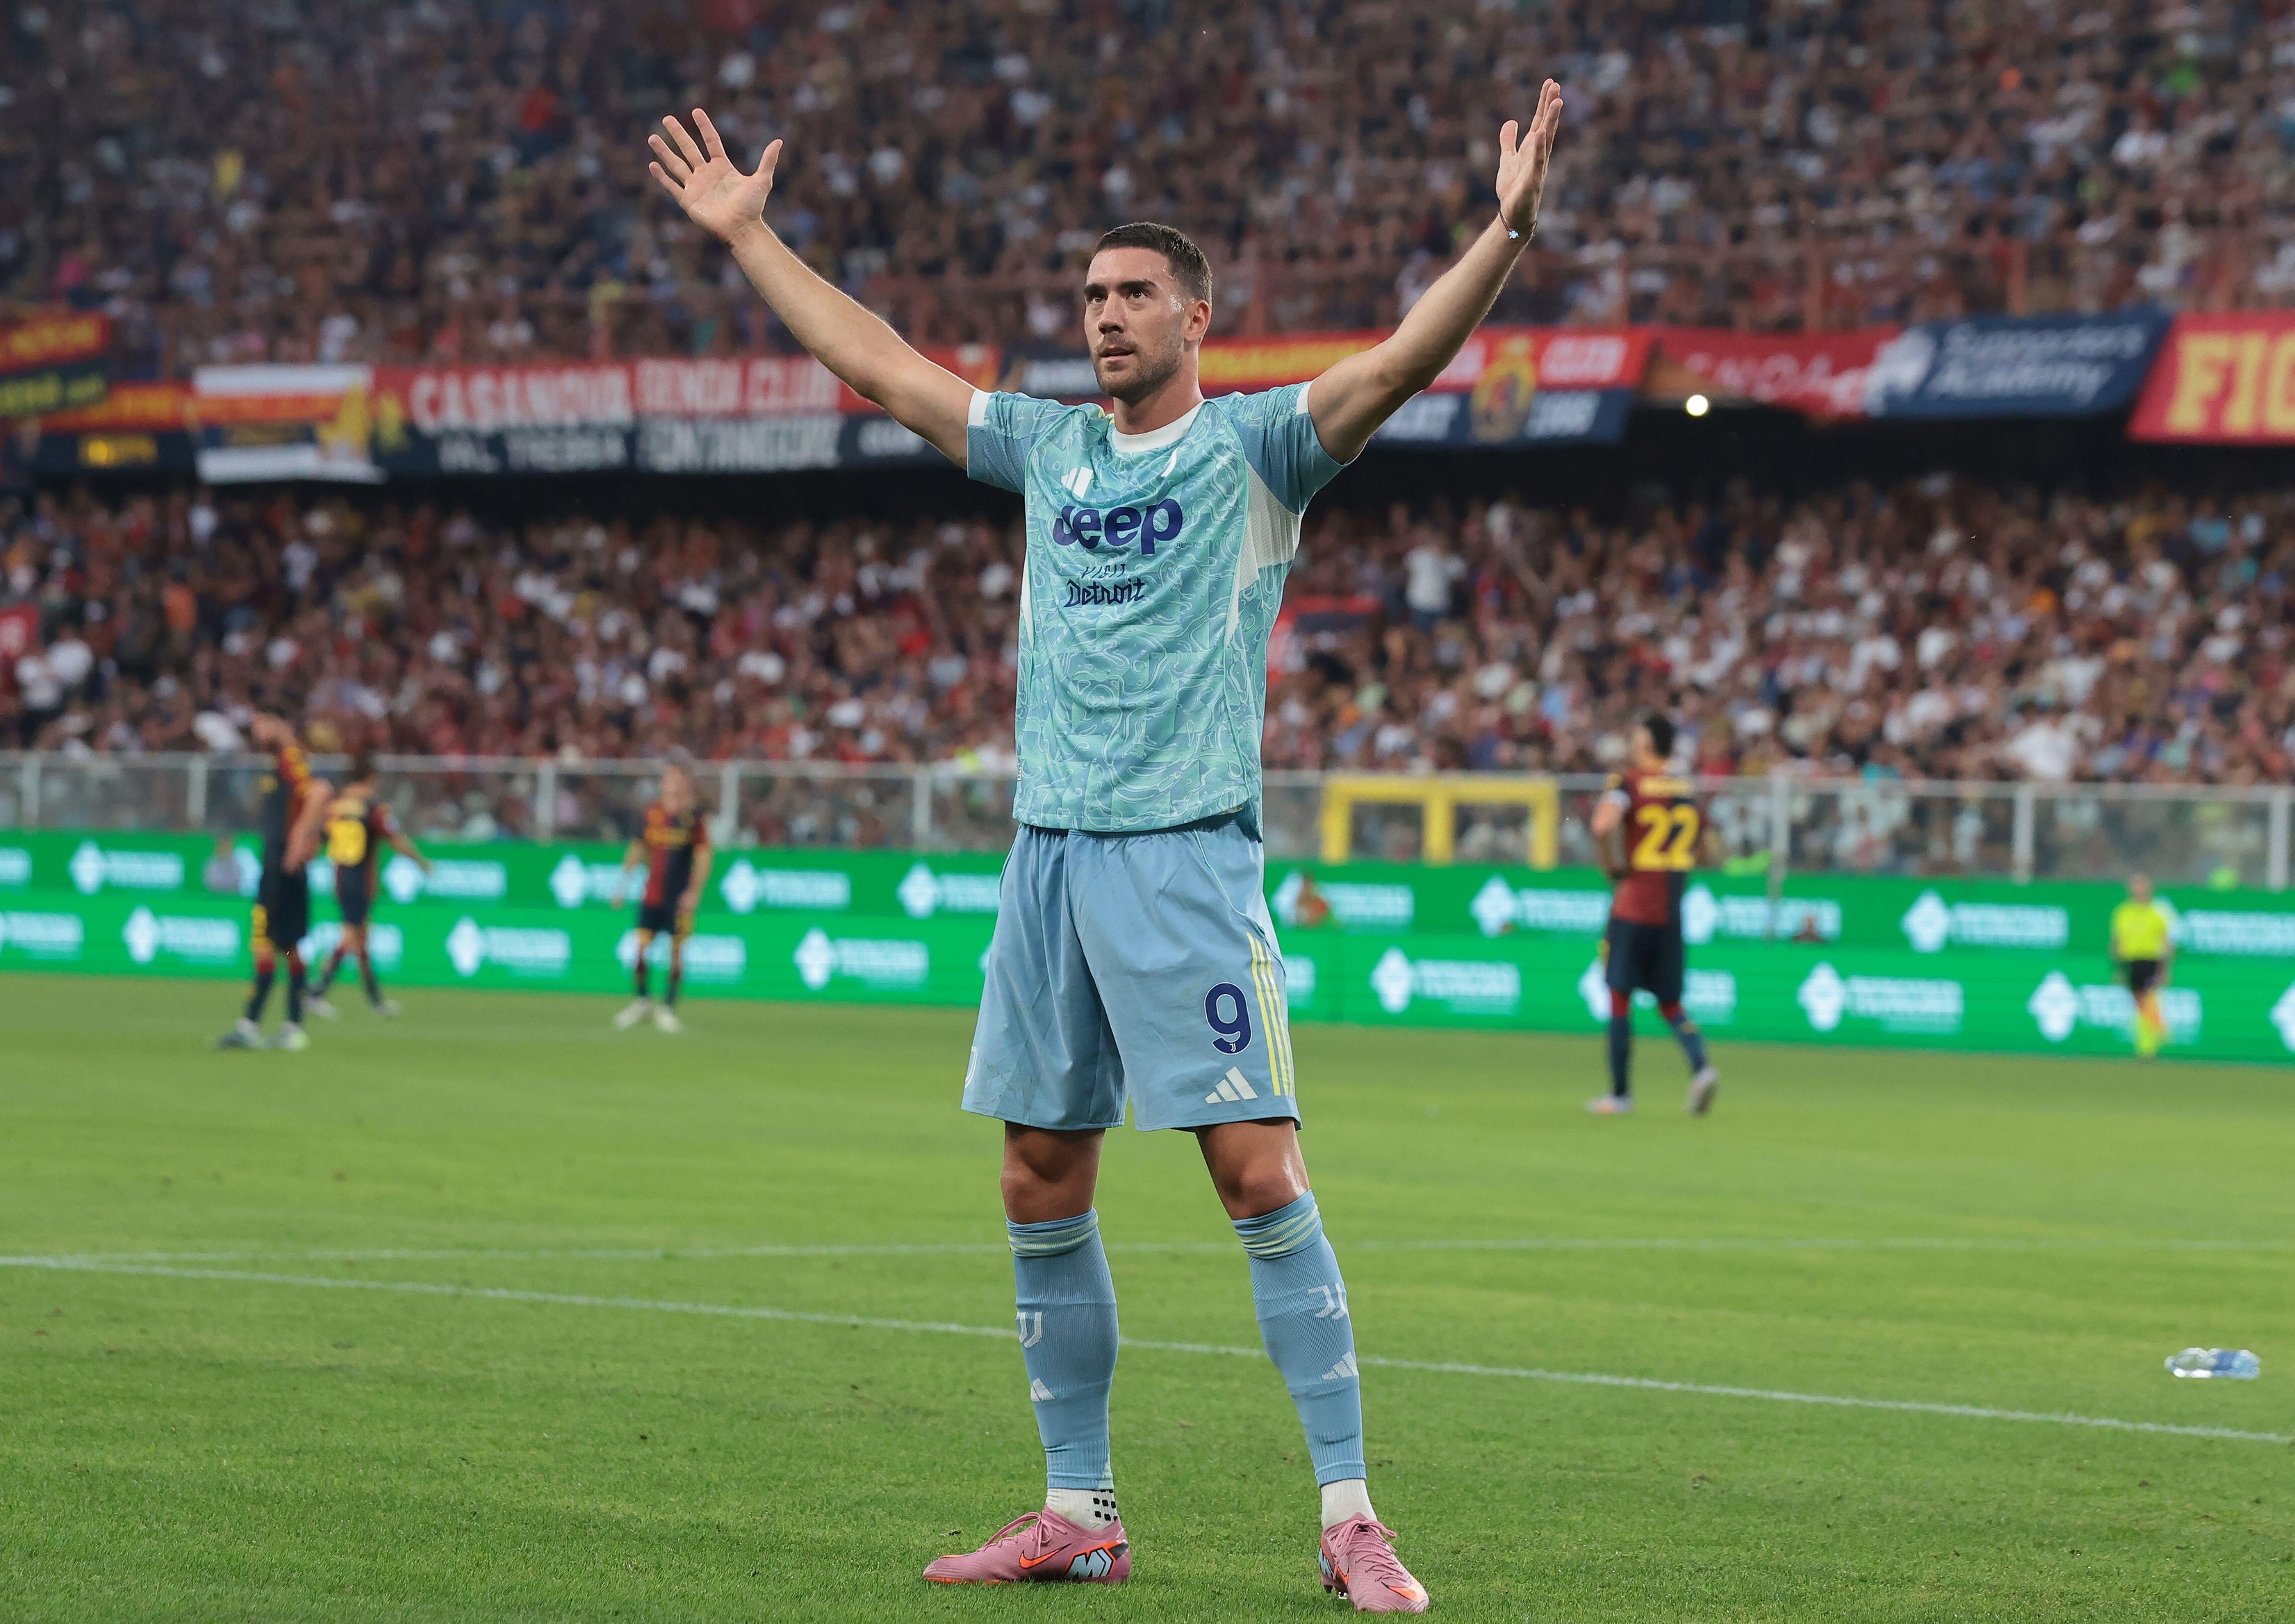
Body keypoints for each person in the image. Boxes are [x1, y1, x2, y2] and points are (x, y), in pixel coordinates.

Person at [646, 75, 1563, 1611]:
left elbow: (1404, 358)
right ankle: (1079, 1506)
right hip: (1048, 857)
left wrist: (1506, 231)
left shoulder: (1261, 450)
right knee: (1032, 1173)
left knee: (1256, 1168)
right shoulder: (1047, 451)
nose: (1105, 316)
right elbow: (876, 363)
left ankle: (1349, 1512)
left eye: (1135, 293)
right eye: (1090, 295)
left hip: (1184, 856)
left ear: (1199, 317)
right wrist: (751, 237)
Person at [1586, 714, 1722, 1116]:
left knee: (1618, 998)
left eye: (1637, 734)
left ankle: (1620, 1094)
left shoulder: (1629, 783)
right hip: (1670, 910)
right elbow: (1706, 847)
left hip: (1632, 907)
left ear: (1648, 742)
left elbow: (1600, 825)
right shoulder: (1685, 788)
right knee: (1670, 1003)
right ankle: (1702, 1068)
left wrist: (1613, 866)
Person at [216, 715, 331, 1051]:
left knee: (276, 945)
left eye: (261, 723)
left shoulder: (291, 760)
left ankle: (270, 1025)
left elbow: (320, 792)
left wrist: (299, 837)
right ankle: (270, 1025)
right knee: (278, 945)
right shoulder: (281, 764)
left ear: (281, 723)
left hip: (283, 869)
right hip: (277, 867)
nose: (256, 732)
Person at [306, 750, 431, 1018]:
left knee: (361, 940)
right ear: (372, 778)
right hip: (361, 881)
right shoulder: (374, 808)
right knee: (351, 936)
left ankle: (375, 1000)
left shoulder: (335, 806)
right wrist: (422, 862)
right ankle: (316, 993)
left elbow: (321, 837)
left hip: (340, 878)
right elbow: (397, 841)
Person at [614, 763, 711, 1034]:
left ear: (684, 783)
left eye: (677, 778)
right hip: (652, 893)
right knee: (641, 948)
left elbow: (704, 856)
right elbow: (638, 847)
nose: (673, 783)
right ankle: (642, 1000)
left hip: (678, 898)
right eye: (669, 778)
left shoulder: (693, 818)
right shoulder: (652, 813)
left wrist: (695, 892)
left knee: (676, 953)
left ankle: (667, 1007)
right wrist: (622, 884)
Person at [2109, 873, 2174, 1061]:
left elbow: (2166, 942)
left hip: (2150, 960)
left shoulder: (2157, 912)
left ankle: (2148, 1048)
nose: (2138, 889)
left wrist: (2165, 969)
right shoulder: (2122, 912)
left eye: (2142, 885)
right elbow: (2118, 942)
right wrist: (2118, 969)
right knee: (2139, 1004)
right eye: (2135, 886)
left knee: (2149, 1000)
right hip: (2131, 961)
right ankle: (2152, 1037)